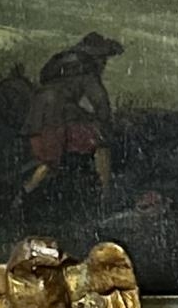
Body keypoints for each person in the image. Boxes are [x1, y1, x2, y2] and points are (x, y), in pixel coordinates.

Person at [24, 31, 122, 194]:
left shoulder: (58, 67)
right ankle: (106, 195)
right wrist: (105, 124)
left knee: (48, 162)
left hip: (36, 121)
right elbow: (100, 102)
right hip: (57, 121)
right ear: (97, 56)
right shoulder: (86, 70)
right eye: (103, 58)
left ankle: (22, 193)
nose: (104, 63)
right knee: (101, 141)